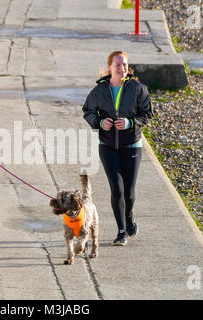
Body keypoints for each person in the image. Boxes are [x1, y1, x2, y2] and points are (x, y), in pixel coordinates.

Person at [82, 51, 153, 246]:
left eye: (125, 65)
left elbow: (147, 113)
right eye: (118, 65)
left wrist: (131, 122)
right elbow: (87, 111)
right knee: (117, 189)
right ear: (110, 68)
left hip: (132, 146)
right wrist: (99, 122)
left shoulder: (138, 89)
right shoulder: (99, 91)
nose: (122, 69)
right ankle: (121, 231)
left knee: (129, 192)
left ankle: (129, 217)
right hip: (108, 147)